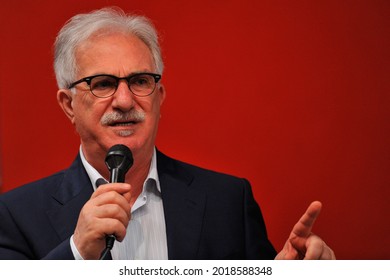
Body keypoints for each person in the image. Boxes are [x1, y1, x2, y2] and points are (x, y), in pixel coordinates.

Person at [0, 7, 335, 260]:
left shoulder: (228, 202)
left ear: (159, 97)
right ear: (68, 105)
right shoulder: (15, 215)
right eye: (103, 84)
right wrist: (76, 254)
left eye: (140, 81)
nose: (125, 100)